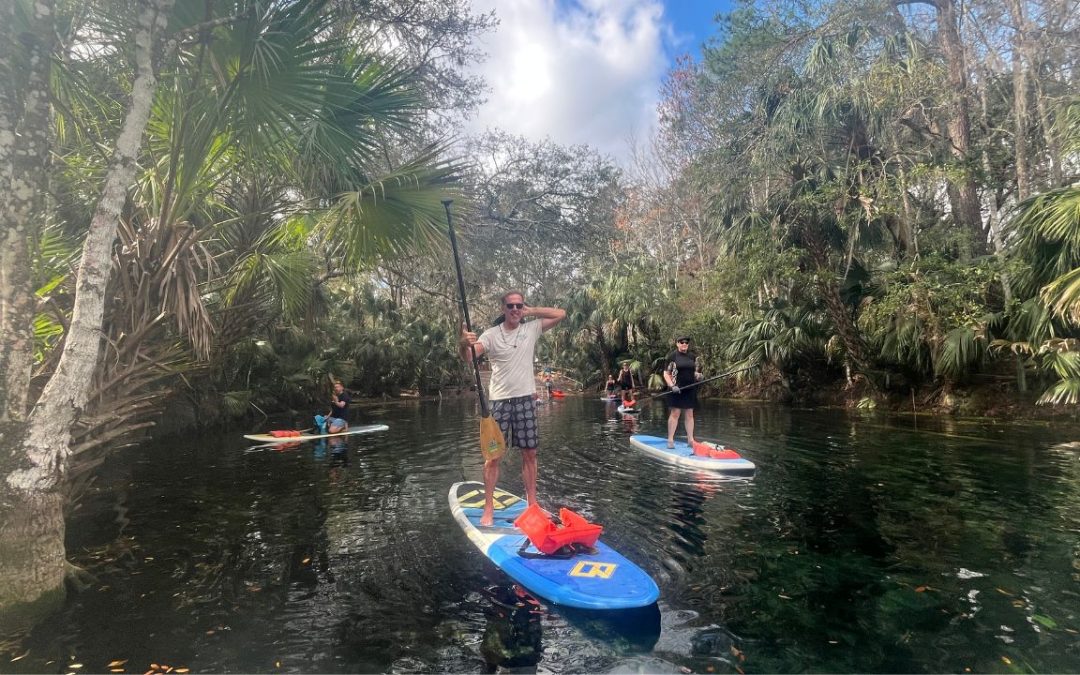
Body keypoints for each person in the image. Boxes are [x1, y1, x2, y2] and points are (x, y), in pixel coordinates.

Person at [459, 291, 566, 526]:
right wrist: (462, 342)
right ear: (503, 308)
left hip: (526, 400)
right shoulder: (490, 335)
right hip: (499, 402)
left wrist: (532, 310)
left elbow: (561, 313)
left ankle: (533, 505)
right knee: (493, 457)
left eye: (519, 305)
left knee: (530, 454)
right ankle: (489, 508)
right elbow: (468, 357)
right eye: (511, 306)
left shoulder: (531, 329)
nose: (515, 309)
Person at [663, 335, 702, 449]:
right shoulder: (672, 356)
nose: (684, 344)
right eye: (681, 342)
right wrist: (671, 385)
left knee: (690, 414)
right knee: (675, 413)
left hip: (690, 388)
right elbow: (666, 373)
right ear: (677, 344)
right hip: (677, 389)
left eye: (686, 342)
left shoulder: (692, 356)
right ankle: (670, 440)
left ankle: (691, 440)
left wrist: (698, 375)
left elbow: (693, 372)